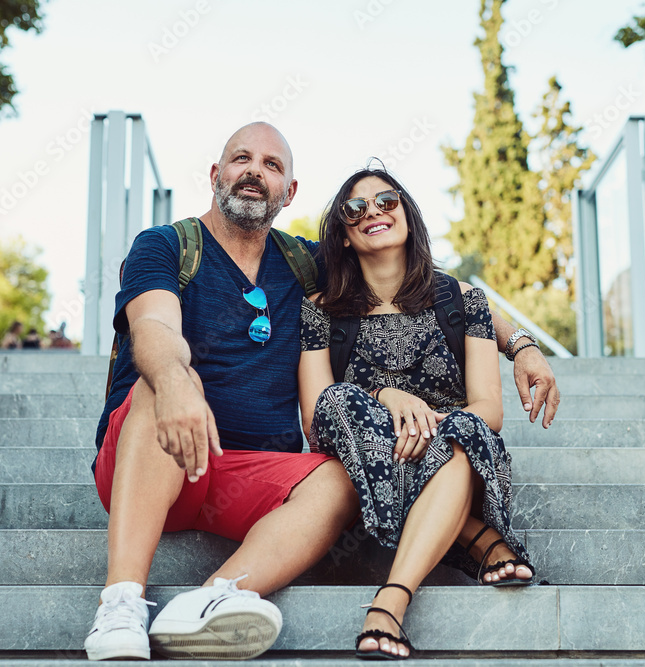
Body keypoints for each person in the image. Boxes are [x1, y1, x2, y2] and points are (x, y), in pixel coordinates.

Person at [86, 123, 560, 662]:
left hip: (251, 473)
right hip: (151, 452)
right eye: (241, 159)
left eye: (271, 165)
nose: (254, 172)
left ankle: (211, 601)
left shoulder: (302, 263)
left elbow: (425, 279)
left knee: (339, 477)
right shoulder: (166, 245)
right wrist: (174, 380)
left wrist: (519, 344)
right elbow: (153, 329)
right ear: (217, 175)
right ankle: (122, 602)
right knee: (163, 382)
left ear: (289, 192)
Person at [298, 168, 535, 660]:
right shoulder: (319, 310)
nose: (374, 212)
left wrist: (427, 423)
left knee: (462, 433)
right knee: (340, 403)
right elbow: (316, 420)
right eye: (355, 208)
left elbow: (488, 410)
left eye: (386, 200)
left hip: (455, 453)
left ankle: (391, 601)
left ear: (407, 212)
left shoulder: (465, 300)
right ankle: (475, 535)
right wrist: (387, 397)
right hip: (367, 460)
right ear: (342, 235)